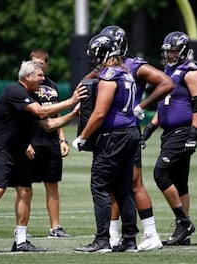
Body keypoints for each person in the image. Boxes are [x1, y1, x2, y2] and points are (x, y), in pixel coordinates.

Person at [0, 60, 87, 253]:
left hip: (19, 149)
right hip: (0, 148)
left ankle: (21, 241)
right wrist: (71, 101)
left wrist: (72, 114)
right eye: (39, 75)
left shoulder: (31, 96)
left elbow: (48, 125)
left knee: (25, 191)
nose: (43, 78)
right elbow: (40, 111)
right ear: (27, 77)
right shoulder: (14, 92)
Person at [82, 25, 174, 251]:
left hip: (122, 131)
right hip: (122, 132)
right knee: (117, 186)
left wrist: (142, 104)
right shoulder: (109, 68)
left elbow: (167, 83)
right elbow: (86, 82)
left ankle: (149, 233)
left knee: (132, 183)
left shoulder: (133, 66)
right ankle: (118, 237)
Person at [73, 33, 142, 253]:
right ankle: (130, 239)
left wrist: (83, 136)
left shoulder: (109, 76)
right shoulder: (126, 73)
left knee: (100, 186)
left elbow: (100, 113)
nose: (94, 58)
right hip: (130, 131)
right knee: (124, 188)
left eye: (96, 54)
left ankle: (102, 240)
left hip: (114, 135)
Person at [142, 31, 197, 246]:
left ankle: (183, 222)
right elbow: (167, 104)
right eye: (167, 51)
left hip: (182, 131)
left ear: (184, 51)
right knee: (180, 181)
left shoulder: (192, 71)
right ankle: (184, 232)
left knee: (161, 173)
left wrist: (194, 132)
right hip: (168, 132)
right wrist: (150, 129)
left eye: (173, 51)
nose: (169, 55)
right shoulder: (170, 71)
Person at [23, 48, 70, 238]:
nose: (37, 67)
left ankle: (55, 228)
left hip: (51, 144)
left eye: (41, 64)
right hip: (31, 142)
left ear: (47, 65)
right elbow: (20, 117)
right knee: (25, 187)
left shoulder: (52, 86)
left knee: (52, 185)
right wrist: (25, 142)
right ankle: (22, 231)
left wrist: (62, 139)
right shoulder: (24, 87)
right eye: (34, 63)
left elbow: (56, 115)